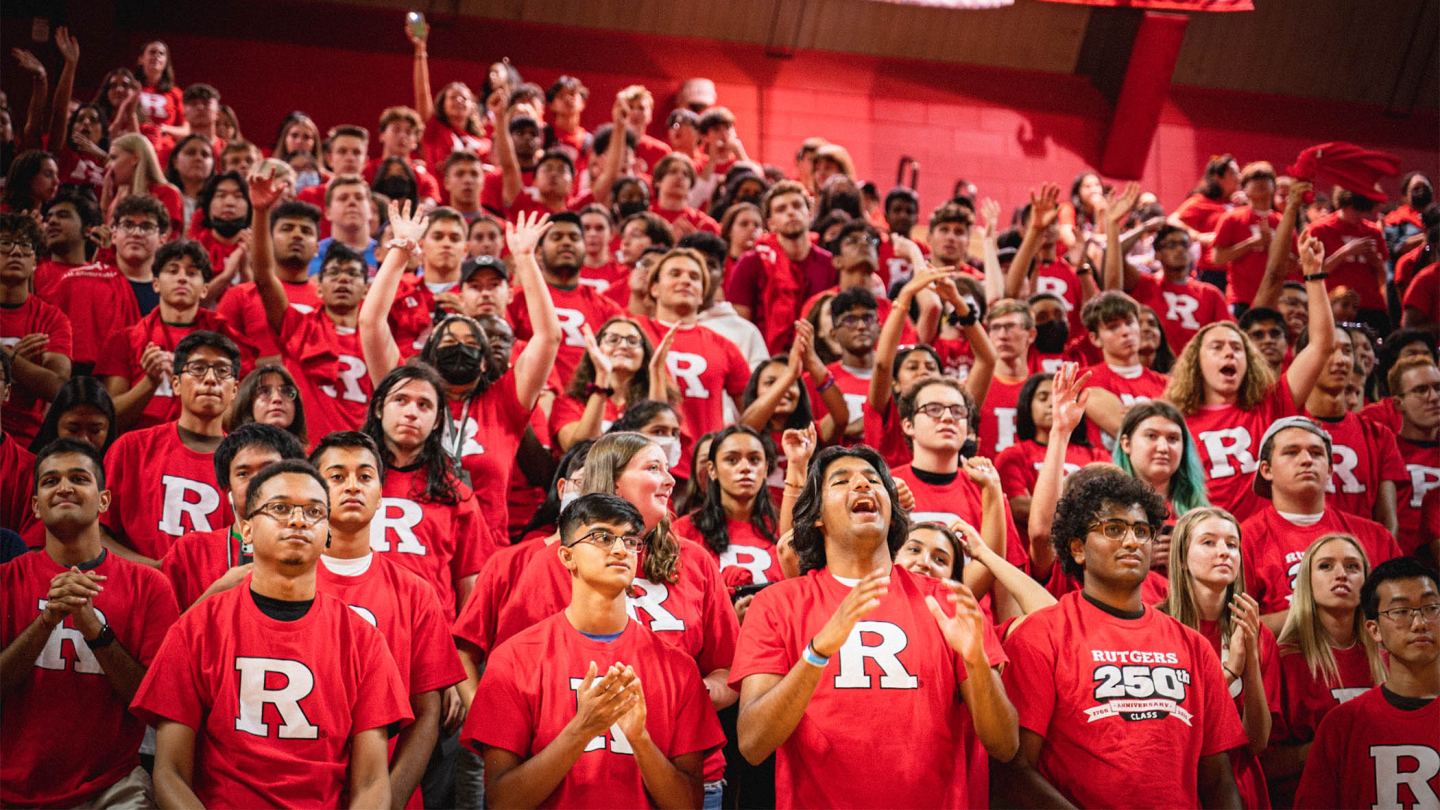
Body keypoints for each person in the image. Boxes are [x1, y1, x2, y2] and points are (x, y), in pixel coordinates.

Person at [731, 444, 1017, 807]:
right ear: (817, 516)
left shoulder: (945, 600)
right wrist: (817, 653)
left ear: (893, 512)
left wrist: (976, 662)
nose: (862, 486)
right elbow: (753, 744)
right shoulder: (778, 603)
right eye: (842, 481)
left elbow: (1005, 745)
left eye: (873, 480)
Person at [131, 459, 411, 808]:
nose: (297, 520)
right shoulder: (197, 628)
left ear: (328, 534)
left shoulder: (363, 640)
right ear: (246, 530)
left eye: (313, 512)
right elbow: (170, 773)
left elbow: (371, 783)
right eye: (280, 508)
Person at [494, 431, 740, 804]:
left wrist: (684, 697)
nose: (671, 480)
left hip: (684, 771)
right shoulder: (554, 561)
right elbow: (514, 677)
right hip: (575, 774)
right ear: (612, 482)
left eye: (669, 468)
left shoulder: (697, 560)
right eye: (654, 468)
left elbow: (730, 670)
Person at [997, 468, 1246, 808]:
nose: (1131, 541)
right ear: (1078, 548)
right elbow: (1014, 770)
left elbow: (1219, 779)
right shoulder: (1040, 635)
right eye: (1113, 529)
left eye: (1141, 531)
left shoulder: (1193, 646)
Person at [1, 438, 179, 808]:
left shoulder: (150, 586)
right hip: (10, 787)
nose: (64, 487)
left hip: (112, 785)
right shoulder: (4, 580)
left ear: (104, 500)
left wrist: (95, 630)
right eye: (50, 481)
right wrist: (46, 621)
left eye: (79, 478)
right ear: (35, 506)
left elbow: (152, 706)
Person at [364, 204, 558, 535]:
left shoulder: (504, 403)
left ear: (484, 360)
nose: (459, 347)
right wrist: (399, 252)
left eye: (470, 342)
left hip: (487, 558)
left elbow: (548, 336)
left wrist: (525, 259)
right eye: (448, 340)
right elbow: (370, 324)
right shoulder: (410, 394)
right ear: (429, 356)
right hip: (419, 553)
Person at [310, 430, 467, 809]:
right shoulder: (283, 581)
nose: (352, 486)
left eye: (365, 476)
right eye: (336, 476)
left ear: (382, 494)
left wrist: (388, 802)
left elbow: (427, 714)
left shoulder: (415, 592)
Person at [1165, 233, 1336, 522]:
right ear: (1196, 362)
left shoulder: (1272, 403)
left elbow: (1320, 345)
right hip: (1203, 542)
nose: (1229, 354)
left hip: (1265, 545)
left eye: (1237, 348)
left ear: (1250, 361)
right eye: (1216, 347)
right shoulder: (1176, 420)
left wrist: (1314, 273)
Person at [1158, 507, 1280, 810]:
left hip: (1240, 788)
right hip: (1175, 784)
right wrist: (1231, 670)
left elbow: (1257, 742)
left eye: (1232, 544)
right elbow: (1172, 726)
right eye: (1208, 542)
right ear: (1182, 558)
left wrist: (1250, 659)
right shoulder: (1155, 627)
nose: (1223, 552)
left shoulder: (1257, 632)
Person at [1294, 557, 1439, 809]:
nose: (1419, 623)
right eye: (1401, 612)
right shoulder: (1342, 724)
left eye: (1431, 608)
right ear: (1374, 630)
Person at [1241, 417, 1402, 632]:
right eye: (1291, 452)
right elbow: (1234, 628)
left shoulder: (1376, 536)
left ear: (1329, 470)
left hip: (1367, 662)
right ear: (1266, 470)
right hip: (1285, 662)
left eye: (1316, 453)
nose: (1307, 460)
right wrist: (1319, 611)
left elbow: (1404, 609)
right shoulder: (1244, 540)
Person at [1263, 533, 1388, 807]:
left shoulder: (1388, 659)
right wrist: (1330, 745)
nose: (1341, 574)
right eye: (1326, 566)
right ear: (1306, 581)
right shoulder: (1284, 660)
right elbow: (1262, 764)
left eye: (1352, 566)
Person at [361, 363, 493, 621]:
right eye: (401, 400)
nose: (411, 412)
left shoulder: (457, 494)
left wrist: (462, 651)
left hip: (432, 633)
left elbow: (470, 582)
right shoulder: (344, 483)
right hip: (354, 627)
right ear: (378, 408)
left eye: (424, 405)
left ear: (436, 422)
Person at [248, 172, 375, 437]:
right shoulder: (299, 327)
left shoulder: (378, 340)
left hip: (363, 458)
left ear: (366, 289)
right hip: (307, 457)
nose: (342, 279)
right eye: (333, 273)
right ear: (318, 286)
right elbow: (262, 276)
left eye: (351, 274)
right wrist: (260, 213)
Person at [102, 331, 240, 566]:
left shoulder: (245, 463)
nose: (209, 379)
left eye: (222, 371)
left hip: (217, 596)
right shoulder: (130, 449)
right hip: (137, 590)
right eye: (197, 368)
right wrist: (154, 571)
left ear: (235, 390)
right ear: (175, 384)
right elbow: (95, 533)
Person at [97, 238, 248, 430]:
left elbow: (239, 419)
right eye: (173, 271)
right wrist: (150, 382)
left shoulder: (227, 339)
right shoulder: (124, 340)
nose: (182, 278)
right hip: (143, 449)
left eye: (192, 273)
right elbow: (110, 420)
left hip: (207, 449)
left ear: (205, 290)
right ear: (155, 284)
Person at [161, 423, 305, 610]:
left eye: (268, 469)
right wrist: (216, 593)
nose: (256, 481)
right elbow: (163, 637)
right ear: (228, 490)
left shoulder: (319, 550)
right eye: (243, 473)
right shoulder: (191, 552)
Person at [638, 248, 755, 458]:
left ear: (702, 293)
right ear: (654, 288)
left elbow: (751, 412)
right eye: (675, 274)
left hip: (704, 466)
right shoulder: (637, 331)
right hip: (645, 458)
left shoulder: (724, 345)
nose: (686, 281)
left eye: (694, 277)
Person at [1301, 324, 1405, 532]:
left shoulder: (1379, 435)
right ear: (1304, 358)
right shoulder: (1282, 429)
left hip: (1362, 557)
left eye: (1347, 351)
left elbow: (1387, 521)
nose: (1341, 359)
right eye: (1329, 350)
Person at [507, 211, 626, 383]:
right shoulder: (517, 299)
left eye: (574, 238)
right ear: (538, 253)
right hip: (536, 400)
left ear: (584, 250)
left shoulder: (607, 308)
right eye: (557, 237)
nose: (566, 242)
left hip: (589, 399)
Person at [1106, 199, 1231, 351]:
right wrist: (1145, 228)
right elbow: (1115, 253)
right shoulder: (1144, 284)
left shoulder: (1210, 293)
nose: (1179, 250)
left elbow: (1229, 335)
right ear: (1157, 255)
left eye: (1184, 245)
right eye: (1171, 245)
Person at [725, 181, 834, 352]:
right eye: (781, 209)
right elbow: (739, 327)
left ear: (810, 213)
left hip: (820, 358)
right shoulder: (751, 263)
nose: (790, 212)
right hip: (765, 360)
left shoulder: (829, 264)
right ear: (770, 224)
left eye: (797, 206)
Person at [674, 425, 784, 589]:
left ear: (766, 468)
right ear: (712, 470)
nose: (745, 467)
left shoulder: (782, 530)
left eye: (754, 459)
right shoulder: (684, 531)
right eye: (731, 460)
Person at [994, 371, 1101, 538]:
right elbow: (1019, 508)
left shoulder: (1097, 456)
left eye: (1062, 399)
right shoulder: (1013, 455)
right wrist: (1084, 508)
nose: (1053, 403)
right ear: (1027, 406)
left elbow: (1107, 504)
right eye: (1043, 398)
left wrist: (1039, 503)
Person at [0, 212, 71, 446]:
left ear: (35, 262)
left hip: (28, 440)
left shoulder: (52, 319)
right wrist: (24, 365)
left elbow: (58, 388)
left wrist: (8, 357)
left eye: (25, 246)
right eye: (6, 244)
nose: (16, 252)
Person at [553, 316, 670, 451]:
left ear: (645, 354)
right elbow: (578, 449)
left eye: (633, 341)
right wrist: (602, 376)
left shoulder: (655, 400)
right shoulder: (569, 403)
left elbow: (661, 445)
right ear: (596, 348)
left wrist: (656, 370)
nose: (623, 346)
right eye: (613, 340)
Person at [1077, 291, 1171, 451]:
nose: (1126, 332)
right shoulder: (1084, 379)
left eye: (1129, 322)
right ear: (1095, 339)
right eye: (1113, 327)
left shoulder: (1167, 384)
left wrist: (1136, 415)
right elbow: (1127, 430)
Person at [1005, 183, 1091, 340]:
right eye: (1038, 222)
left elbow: (1095, 314)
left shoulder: (1074, 272)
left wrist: (1081, 268)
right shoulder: (1015, 272)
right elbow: (1011, 295)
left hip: (1069, 355)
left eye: (1053, 222)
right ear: (1024, 232)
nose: (1047, 226)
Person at [1307, 187, 1391, 335]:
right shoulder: (1320, 229)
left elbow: (1382, 278)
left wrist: (1376, 262)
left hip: (1370, 304)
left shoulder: (1372, 231)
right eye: (1355, 210)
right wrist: (1346, 251)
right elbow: (1315, 272)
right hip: (1335, 305)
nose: (1359, 216)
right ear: (1344, 204)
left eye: (1364, 211)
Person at [1212, 162, 1289, 315]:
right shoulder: (1231, 218)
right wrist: (1251, 244)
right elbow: (1217, 258)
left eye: (1266, 179)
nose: (1261, 182)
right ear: (1244, 189)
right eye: (1254, 179)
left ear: (1273, 186)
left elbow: (1295, 265)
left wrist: (1274, 246)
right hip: (1241, 299)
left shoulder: (1283, 222)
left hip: (1275, 300)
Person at [1390, 357, 1440, 561]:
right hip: (1402, 565)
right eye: (1421, 390)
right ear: (1397, 403)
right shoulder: (1385, 451)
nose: (1434, 397)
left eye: (1438, 388)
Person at [1169, 154, 1238, 290]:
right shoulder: (1203, 201)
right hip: (1215, 273)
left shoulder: (1242, 203)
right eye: (1233, 173)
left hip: (1241, 270)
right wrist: (1199, 236)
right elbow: (1172, 221)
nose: (1239, 177)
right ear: (1218, 179)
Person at [27, 375, 117, 455]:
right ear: (54, 425)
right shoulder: (31, 470)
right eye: (73, 430)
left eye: (95, 431)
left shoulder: (119, 470)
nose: (84, 440)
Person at [307, 175, 377, 276]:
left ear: (370, 210)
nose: (352, 202)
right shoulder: (313, 254)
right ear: (328, 212)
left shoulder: (386, 254)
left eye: (359, 198)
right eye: (343, 198)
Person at [229, 363, 309, 446]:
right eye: (265, 391)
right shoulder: (233, 456)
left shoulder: (306, 457)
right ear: (247, 403)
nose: (277, 398)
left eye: (286, 391)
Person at [1239, 306, 1289, 373]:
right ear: (1244, 343)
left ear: (1286, 342)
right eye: (1258, 335)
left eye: (1275, 334)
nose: (1268, 340)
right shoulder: (1233, 382)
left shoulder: (1299, 381)